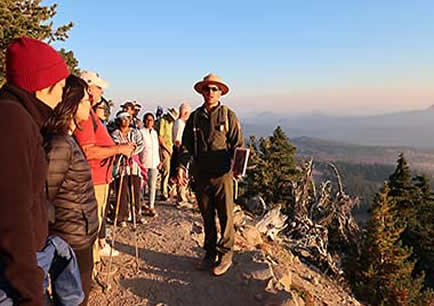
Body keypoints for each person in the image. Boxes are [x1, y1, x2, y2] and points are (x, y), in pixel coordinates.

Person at [0, 36, 69, 306]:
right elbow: (10, 215)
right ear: (43, 85)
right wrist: (30, 293)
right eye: (61, 86)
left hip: (19, 269)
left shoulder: (21, 117)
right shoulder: (12, 120)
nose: (63, 94)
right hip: (12, 280)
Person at [177, 73, 244, 276]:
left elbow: (238, 145)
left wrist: (237, 169)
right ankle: (209, 254)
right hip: (201, 174)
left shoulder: (228, 115)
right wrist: (181, 166)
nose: (210, 92)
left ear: (221, 92)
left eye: (215, 89)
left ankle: (225, 256)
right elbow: (187, 145)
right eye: (207, 89)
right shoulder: (196, 117)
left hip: (223, 175)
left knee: (225, 216)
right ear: (202, 91)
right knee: (207, 216)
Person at [43, 75, 98, 305]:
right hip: (70, 238)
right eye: (86, 100)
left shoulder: (68, 138)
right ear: (72, 104)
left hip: (79, 232)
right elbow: (44, 196)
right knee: (73, 300)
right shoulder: (60, 144)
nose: (91, 104)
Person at [74, 71, 134, 264]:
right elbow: (88, 151)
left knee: (95, 224)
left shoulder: (90, 114)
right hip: (93, 180)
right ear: (89, 88)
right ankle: (88, 274)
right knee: (90, 227)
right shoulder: (84, 115)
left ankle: (92, 268)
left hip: (101, 178)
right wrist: (120, 149)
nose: (101, 91)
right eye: (99, 87)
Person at [111, 111, 145, 227]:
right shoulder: (115, 133)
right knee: (122, 191)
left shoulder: (135, 132)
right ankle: (122, 217)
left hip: (133, 165)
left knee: (135, 191)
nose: (126, 121)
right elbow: (115, 145)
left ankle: (136, 214)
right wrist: (124, 149)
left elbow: (140, 144)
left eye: (127, 119)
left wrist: (130, 150)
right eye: (123, 119)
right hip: (121, 166)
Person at [140, 112, 161, 217]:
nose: (149, 122)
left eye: (151, 120)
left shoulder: (154, 133)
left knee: (152, 186)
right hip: (143, 163)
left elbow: (157, 148)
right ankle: (140, 206)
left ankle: (151, 206)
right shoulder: (140, 132)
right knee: (141, 187)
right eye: (147, 120)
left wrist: (159, 161)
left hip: (154, 162)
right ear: (144, 121)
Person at [156, 107, 178, 200]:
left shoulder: (170, 123)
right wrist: (168, 149)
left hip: (169, 146)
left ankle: (166, 190)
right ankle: (164, 192)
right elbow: (160, 137)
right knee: (166, 170)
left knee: (168, 171)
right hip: (164, 147)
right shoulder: (163, 121)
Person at [171, 103, 192, 205]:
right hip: (181, 151)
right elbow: (178, 140)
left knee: (182, 174)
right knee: (181, 174)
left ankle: (182, 196)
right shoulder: (180, 123)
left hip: (179, 151)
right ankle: (181, 198)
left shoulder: (177, 122)